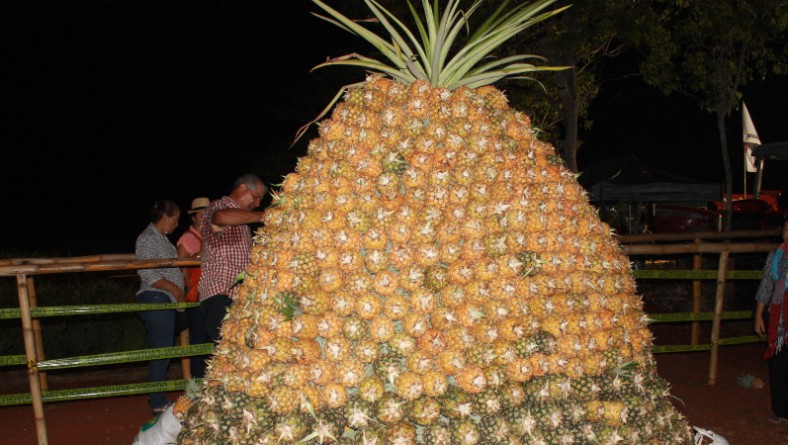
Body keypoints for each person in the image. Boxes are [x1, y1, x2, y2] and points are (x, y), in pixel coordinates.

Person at [198, 174, 266, 344]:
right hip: (220, 293)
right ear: (242, 188)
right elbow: (220, 217)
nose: (257, 203)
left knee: (236, 354)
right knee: (230, 349)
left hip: (236, 297)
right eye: (257, 197)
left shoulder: (242, 221)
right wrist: (262, 216)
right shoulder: (218, 206)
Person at [135, 199, 186, 415]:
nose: (176, 224)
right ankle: (157, 400)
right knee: (162, 350)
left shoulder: (161, 239)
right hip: (156, 298)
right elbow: (147, 273)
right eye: (175, 220)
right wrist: (175, 290)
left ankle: (156, 396)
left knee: (163, 348)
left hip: (163, 300)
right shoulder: (147, 238)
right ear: (165, 218)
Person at [754, 218, 788, 424]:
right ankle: (782, 411)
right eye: (786, 228)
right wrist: (758, 315)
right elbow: (766, 286)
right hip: (778, 319)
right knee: (778, 364)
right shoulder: (775, 257)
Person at [176, 196, 210, 378]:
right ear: (194, 217)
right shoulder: (187, 238)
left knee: (210, 336)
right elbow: (180, 268)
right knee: (198, 338)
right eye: (201, 214)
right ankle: (198, 381)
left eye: (208, 214)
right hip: (195, 297)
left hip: (211, 294)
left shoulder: (213, 235)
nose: (205, 218)